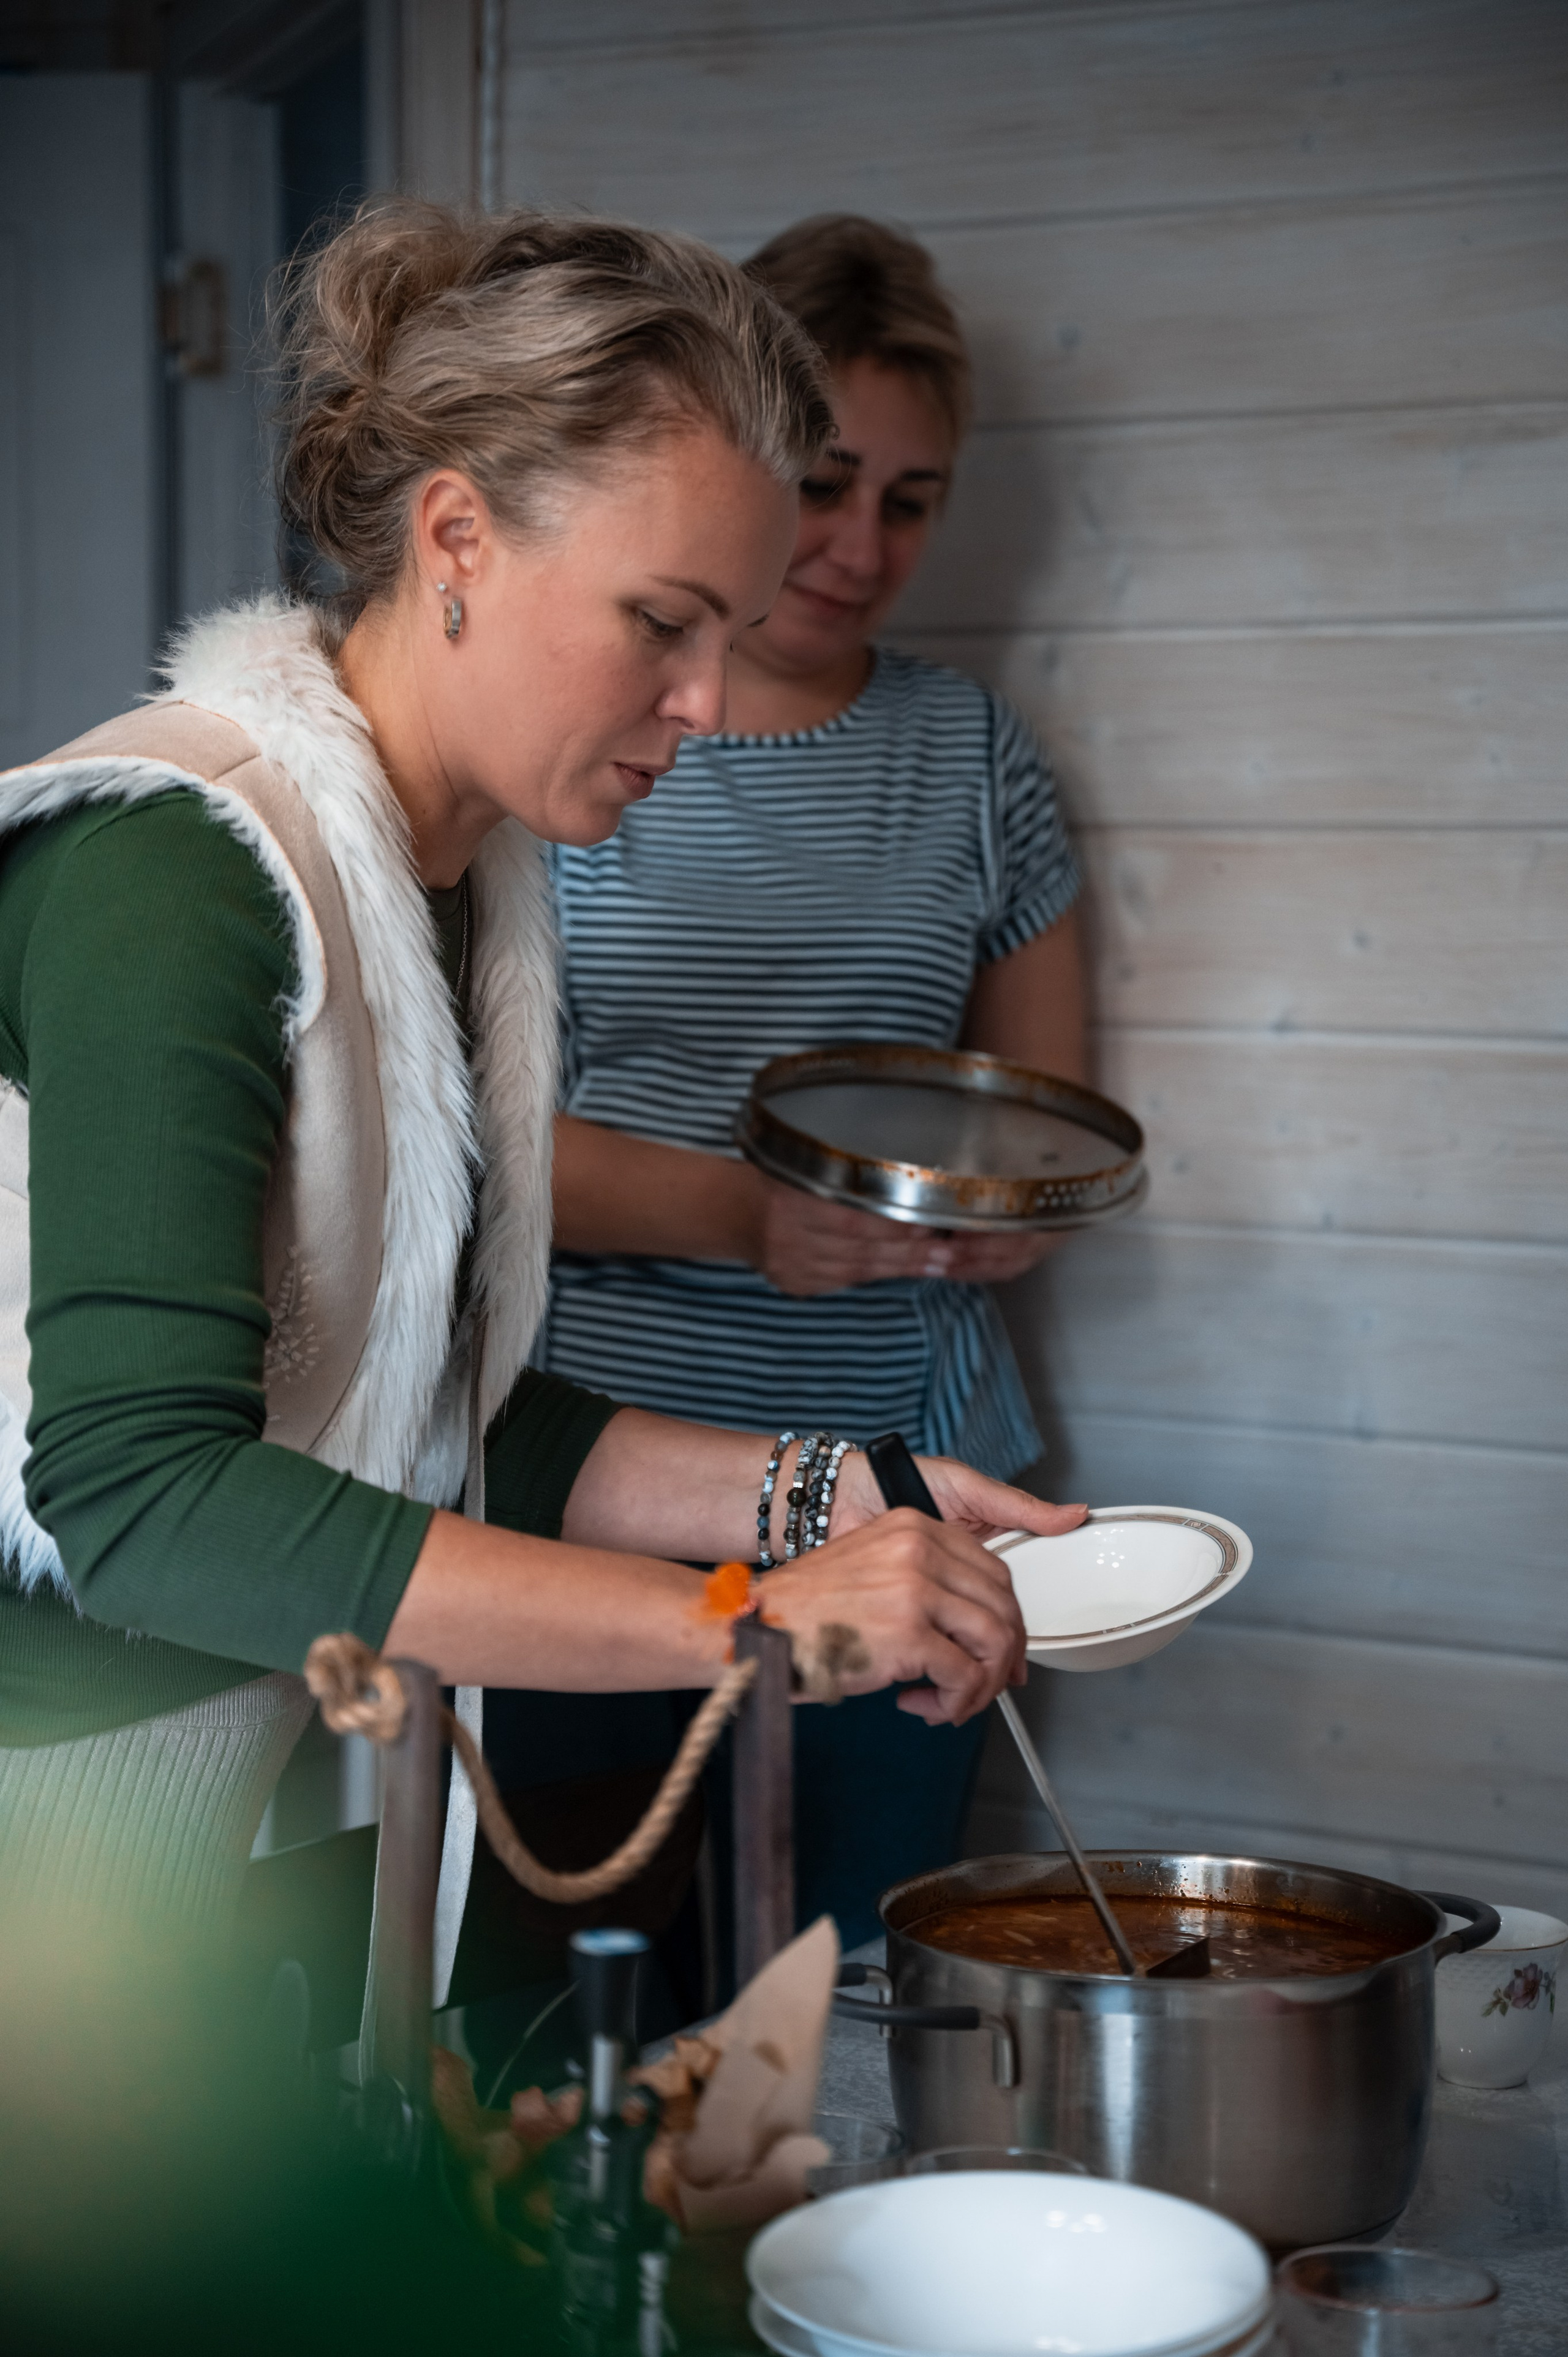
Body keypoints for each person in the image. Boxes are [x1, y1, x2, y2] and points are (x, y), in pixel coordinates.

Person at [0, 203, 1082, 1960]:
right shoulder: (176, 873)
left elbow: (416, 1406)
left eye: (730, 629)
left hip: (237, 1764)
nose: (707, 702)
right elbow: (140, 1501)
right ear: (457, 537)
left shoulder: (454, 880)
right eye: (661, 621)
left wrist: (832, 1490)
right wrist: (759, 1621)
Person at [537, 216, 1087, 1946]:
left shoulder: (974, 755)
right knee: (583, 1993)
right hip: (600, 1479)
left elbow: (1043, 1116)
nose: (859, 547)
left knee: (851, 1994)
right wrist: (744, 1219)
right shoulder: (576, 739)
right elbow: (459, 1149)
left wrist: (1011, 1221)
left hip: (913, 1484)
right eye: (826, 485)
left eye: (911, 502)